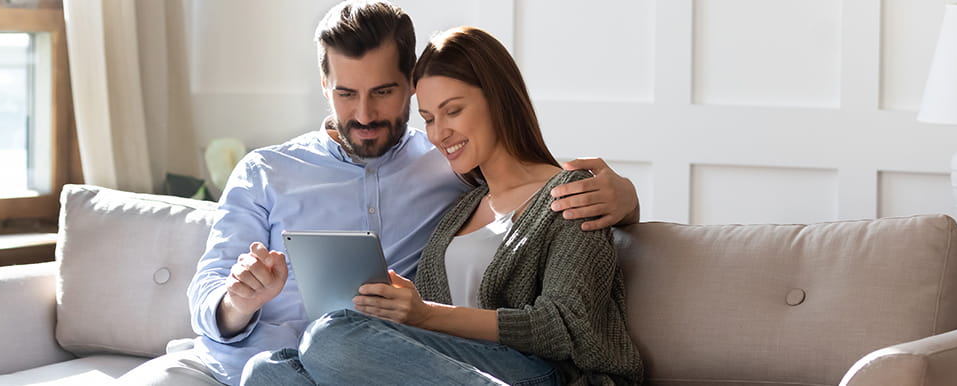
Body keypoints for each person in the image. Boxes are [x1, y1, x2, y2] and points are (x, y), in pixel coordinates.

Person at [117, 1, 640, 385]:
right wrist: (238, 298)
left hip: (450, 361)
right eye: (347, 93)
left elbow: (546, 223)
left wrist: (626, 201)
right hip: (350, 363)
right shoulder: (268, 171)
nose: (364, 115)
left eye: (383, 92)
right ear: (325, 86)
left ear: (408, 84)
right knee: (265, 373)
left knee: (332, 335)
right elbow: (208, 288)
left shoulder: (449, 170)